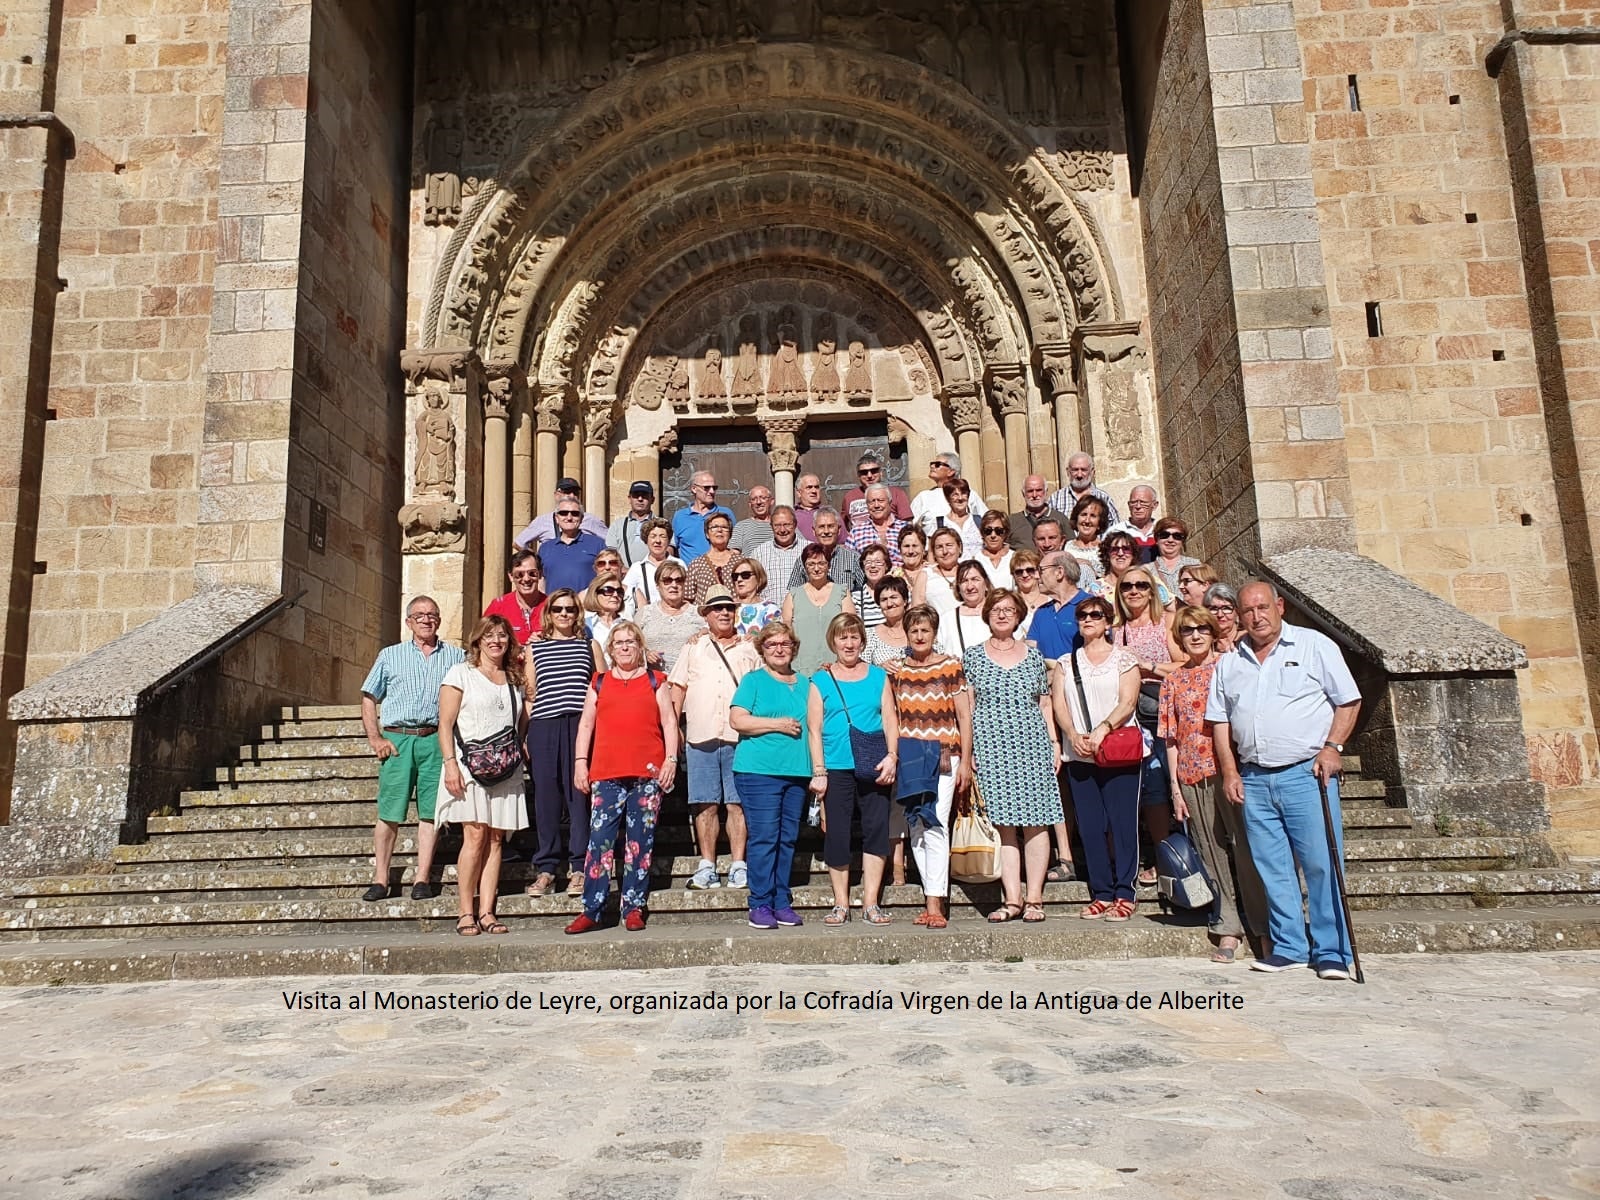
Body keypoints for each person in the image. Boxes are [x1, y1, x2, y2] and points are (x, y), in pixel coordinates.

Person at [1208, 581, 1362, 979]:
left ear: (1279, 607)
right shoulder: (1230, 661)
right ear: (1238, 617)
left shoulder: (1314, 646)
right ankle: (1289, 946)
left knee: (1321, 865)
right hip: (1255, 778)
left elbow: (1348, 700)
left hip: (1306, 772)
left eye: (1262, 607)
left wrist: (1333, 748)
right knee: (1271, 867)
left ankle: (1331, 951)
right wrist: (1229, 771)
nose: (1256, 617)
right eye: (1247, 611)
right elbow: (1221, 722)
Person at [1159, 606, 1269, 962]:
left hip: (1232, 770)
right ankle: (1227, 926)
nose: (1195, 635)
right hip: (1193, 775)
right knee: (1210, 852)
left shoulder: (1230, 666)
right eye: (1188, 629)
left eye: (1202, 629)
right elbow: (1171, 739)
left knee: (1246, 850)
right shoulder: (1172, 680)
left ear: (1212, 632)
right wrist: (1176, 789)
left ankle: (1264, 926)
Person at [564, 623, 679, 934]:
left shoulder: (657, 681)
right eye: (619, 643)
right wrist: (580, 763)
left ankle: (633, 907)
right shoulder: (598, 682)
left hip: (647, 774)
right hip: (606, 774)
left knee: (639, 844)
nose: (625, 647)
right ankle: (593, 909)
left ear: (639, 646)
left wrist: (670, 759)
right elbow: (586, 726)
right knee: (599, 843)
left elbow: (669, 722)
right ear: (610, 649)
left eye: (631, 642)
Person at [359, 596, 465, 902]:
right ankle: (381, 878)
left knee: (430, 813)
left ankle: (422, 878)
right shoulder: (390, 655)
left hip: (435, 738)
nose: (427, 620)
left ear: (440, 620)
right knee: (389, 811)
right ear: (408, 622)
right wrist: (375, 738)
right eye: (419, 615)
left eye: (432, 615)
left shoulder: (456, 656)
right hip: (398, 738)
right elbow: (369, 696)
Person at [966, 589, 1063, 922]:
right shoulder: (973, 656)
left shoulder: (1033, 655)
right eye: (996, 609)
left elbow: (1045, 701)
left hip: (1032, 743)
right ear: (987, 614)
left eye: (1009, 609)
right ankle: (1012, 899)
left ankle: (1034, 898)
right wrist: (970, 751)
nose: (1003, 614)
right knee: (1004, 826)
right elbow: (969, 706)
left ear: (1020, 614)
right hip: (991, 746)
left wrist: (1054, 743)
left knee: (1036, 823)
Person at [1053, 594, 1142, 920]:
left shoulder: (1124, 659)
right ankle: (1101, 891)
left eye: (1095, 614)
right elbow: (1060, 703)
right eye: (1083, 616)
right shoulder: (1066, 662)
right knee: (1091, 825)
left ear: (1107, 622)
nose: (1088, 620)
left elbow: (1128, 700)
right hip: (1080, 752)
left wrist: (1104, 729)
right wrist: (1073, 734)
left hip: (1118, 751)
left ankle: (1125, 892)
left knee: (1122, 823)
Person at [436, 614, 526, 936]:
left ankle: (488, 911)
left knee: (496, 839)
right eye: (489, 635)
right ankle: (465, 912)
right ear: (477, 640)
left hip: (506, 767)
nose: (496, 641)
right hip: (468, 766)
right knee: (474, 836)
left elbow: (520, 724)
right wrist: (450, 765)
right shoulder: (460, 674)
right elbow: (444, 724)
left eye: (502, 635)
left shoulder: (514, 678)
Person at [808, 612, 899, 926]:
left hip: (874, 763)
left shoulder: (878, 676)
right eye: (842, 637)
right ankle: (841, 903)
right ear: (833, 641)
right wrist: (819, 771)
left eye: (854, 637)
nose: (849, 643)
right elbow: (814, 728)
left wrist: (892, 756)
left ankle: (871, 903)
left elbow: (890, 719)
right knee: (837, 834)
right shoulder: (820, 679)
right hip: (836, 766)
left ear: (862, 640)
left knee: (875, 831)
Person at [669, 587, 759, 891]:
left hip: (741, 737)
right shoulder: (693, 647)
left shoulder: (750, 647)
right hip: (701, 733)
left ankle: (738, 864)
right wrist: (674, 729)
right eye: (717, 608)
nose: (724, 613)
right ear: (705, 614)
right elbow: (677, 688)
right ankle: (707, 864)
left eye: (728, 608)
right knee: (704, 804)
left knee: (737, 804)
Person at [892, 604, 972, 928]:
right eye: (914, 631)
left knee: (935, 822)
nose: (920, 636)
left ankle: (935, 903)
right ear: (907, 634)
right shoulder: (898, 670)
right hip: (911, 755)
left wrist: (967, 760)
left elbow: (965, 715)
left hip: (944, 754)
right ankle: (931, 895)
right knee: (915, 825)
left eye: (925, 630)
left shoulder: (951, 666)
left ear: (934, 632)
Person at [523, 588, 606, 899]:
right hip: (544, 726)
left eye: (570, 609)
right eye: (558, 609)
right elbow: (530, 695)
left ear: (577, 613)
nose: (564, 614)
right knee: (546, 798)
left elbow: (602, 689)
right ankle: (545, 867)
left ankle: (579, 866)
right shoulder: (536, 648)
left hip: (578, 725)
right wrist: (525, 734)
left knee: (578, 794)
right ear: (549, 613)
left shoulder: (589, 644)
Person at [729, 622, 813, 929]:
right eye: (772, 644)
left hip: (797, 771)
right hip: (758, 771)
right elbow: (738, 719)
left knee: (787, 838)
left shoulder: (807, 683)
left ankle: (780, 899)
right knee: (764, 837)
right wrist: (777, 724)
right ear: (762, 650)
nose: (779, 649)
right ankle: (760, 902)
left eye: (785, 644)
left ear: (794, 648)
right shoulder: (753, 681)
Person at [1112, 562, 1180, 886]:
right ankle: (1164, 857)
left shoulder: (1166, 622)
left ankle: (1189, 853)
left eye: (1141, 585)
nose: (1135, 591)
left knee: (1179, 783)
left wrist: (1147, 665)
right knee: (1152, 788)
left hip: (1169, 714)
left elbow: (1184, 664)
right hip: (1136, 718)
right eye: (1128, 586)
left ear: (1152, 591)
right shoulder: (1116, 630)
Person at [783, 542, 856, 675]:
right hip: (801, 667)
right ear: (805, 566)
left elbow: (851, 628)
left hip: (836, 666)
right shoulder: (793, 595)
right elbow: (786, 635)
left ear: (829, 565)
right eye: (811, 564)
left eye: (821, 563)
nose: (816, 569)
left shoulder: (842, 592)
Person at [634, 561, 707, 673]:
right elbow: (632, 643)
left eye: (679, 580)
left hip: (688, 679)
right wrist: (646, 653)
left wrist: (704, 633)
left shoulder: (698, 614)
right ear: (658, 585)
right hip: (653, 680)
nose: (674, 585)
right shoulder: (645, 613)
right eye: (667, 581)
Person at [515, 477, 608, 548]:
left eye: (575, 492)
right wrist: (537, 560)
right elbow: (519, 543)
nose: (572, 495)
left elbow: (612, 543)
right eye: (567, 492)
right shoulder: (542, 521)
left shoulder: (591, 520)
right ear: (556, 495)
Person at [786, 507, 864, 591]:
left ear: (839, 530)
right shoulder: (804, 559)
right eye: (821, 527)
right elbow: (793, 593)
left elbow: (864, 590)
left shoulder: (853, 558)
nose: (826, 531)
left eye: (830, 526)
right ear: (814, 531)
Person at [910, 450, 988, 534]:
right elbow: (909, 526)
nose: (932, 466)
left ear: (951, 472)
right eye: (932, 464)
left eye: (937, 465)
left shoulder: (969, 494)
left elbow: (987, 520)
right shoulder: (923, 497)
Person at [537, 499, 606, 594]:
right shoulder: (545, 548)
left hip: (586, 607)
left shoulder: (598, 544)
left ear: (581, 518)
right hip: (554, 607)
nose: (569, 517)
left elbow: (607, 577)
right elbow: (541, 582)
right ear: (557, 518)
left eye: (575, 513)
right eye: (564, 513)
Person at [1091, 530, 1175, 608]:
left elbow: (1172, 608)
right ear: (1107, 554)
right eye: (1115, 549)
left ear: (1133, 554)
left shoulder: (1149, 582)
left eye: (1126, 549)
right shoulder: (1095, 589)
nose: (1120, 553)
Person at [482, 550, 546, 645]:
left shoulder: (552, 606)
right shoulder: (498, 606)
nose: (526, 579)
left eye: (532, 573)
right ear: (511, 576)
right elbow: (483, 639)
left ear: (540, 574)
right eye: (519, 575)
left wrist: (545, 642)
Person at [936, 560, 996, 658]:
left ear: (986, 584)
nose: (970, 586)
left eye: (975, 579)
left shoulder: (1000, 614)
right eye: (964, 581)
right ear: (958, 588)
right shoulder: (946, 619)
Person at [749, 505, 808, 605]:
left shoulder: (808, 550)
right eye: (777, 525)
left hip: (801, 613)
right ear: (771, 526)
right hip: (769, 616)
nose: (782, 530)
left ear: (795, 525)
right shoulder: (758, 554)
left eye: (787, 524)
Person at [671, 470, 735, 561]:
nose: (712, 491)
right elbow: (672, 546)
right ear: (694, 489)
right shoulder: (680, 517)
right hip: (688, 573)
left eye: (714, 487)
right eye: (707, 487)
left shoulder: (725, 514)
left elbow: (734, 546)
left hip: (720, 571)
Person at [623, 518, 683, 613]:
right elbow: (625, 592)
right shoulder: (637, 568)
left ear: (668, 540)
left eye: (662, 536)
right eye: (653, 536)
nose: (658, 541)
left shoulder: (680, 564)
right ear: (646, 540)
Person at [841, 451, 912, 528]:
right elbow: (841, 525)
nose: (869, 475)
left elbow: (907, 523)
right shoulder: (849, 497)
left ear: (880, 473)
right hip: (860, 538)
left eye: (874, 471)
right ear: (858, 475)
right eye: (864, 472)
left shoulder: (896, 493)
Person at [1048, 452, 1121, 526]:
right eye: (1075, 470)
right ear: (1068, 472)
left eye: (1084, 470)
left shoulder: (1104, 498)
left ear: (1092, 472)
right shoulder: (1055, 499)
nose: (1079, 475)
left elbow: (1116, 530)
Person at [845, 484, 910, 564]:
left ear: (890, 502)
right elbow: (848, 563)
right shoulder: (856, 533)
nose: (876, 505)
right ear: (867, 505)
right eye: (872, 501)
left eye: (881, 500)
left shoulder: (905, 529)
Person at [685, 511, 739, 604]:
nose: (719, 530)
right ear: (707, 534)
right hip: (704, 616)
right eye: (714, 527)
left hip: (733, 615)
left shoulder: (740, 562)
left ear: (730, 533)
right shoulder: (696, 564)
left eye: (724, 527)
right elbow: (688, 598)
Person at [1009, 474, 1070, 551]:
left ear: (1046, 491)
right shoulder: (1012, 521)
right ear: (1023, 494)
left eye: (1039, 490)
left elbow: (1071, 546)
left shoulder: (1060, 518)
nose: (1035, 495)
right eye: (1030, 491)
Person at [606, 480, 657, 568]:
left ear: (652, 499)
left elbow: (668, 550)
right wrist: (623, 570)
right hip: (624, 575)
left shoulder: (662, 524)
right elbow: (611, 553)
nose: (640, 499)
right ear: (629, 499)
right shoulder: (617, 525)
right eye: (636, 495)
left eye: (644, 496)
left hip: (653, 575)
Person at [912, 526, 963, 612]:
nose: (945, 551)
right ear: (934, 552)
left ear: (960, 547)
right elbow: (916, 610)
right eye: (939, 547)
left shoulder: (968, 572)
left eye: (949, 545)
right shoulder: (926, 575)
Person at [864, 575, 910, 667]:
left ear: (905, 600)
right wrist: (879, 669)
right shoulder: (870, 636)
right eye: (884, 599)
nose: (889, 604)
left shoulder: (919, 630)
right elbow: (861, 669)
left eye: (893, 597)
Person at [1064, 495, 1110, 586]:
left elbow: (1112, 578)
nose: (1087, 520)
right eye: (1083, 514)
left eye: (1093, 516)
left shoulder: (1107, 548)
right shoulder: (1065, 547)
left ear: (1099, 523)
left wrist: (1091, 570)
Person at [1107, 484, 1161, 560]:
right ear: (1129, 505)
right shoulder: (1116, 531)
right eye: (1133, 502)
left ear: (1154, 505)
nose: (1138, 506)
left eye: (1143, 502)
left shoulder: (1163, 530)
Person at [1151, 519, 1201, 596]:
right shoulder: (1146, 570)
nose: (1170, 540)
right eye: (1164, 535)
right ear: (1156, 539)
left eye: (1177, 536)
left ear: (1182, 541)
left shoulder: (1196, 565)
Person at [730, 557, 779, 636]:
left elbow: (776, 636)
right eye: (735, 576)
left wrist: (756, 635)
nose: (739, 579)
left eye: (745, 575)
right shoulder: (727, 606)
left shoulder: (770, 609)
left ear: (759, 579)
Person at [583, 576, 627, 663]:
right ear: (595, 594)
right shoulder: (585, 626)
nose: (615, 595)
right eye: (609, 590)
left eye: (619, 591)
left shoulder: (628, 626)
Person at [939, 476, 985, 559]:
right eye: (955, 495)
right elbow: (932, 553)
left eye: (963, 494)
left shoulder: (978, 521)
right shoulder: (940, 523)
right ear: (948, 498)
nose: (960, 498)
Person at [853, 544, 893, 628]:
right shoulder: (854, 596)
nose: (873, 566)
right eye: (868, 562)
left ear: (886, 566)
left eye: (878, 562)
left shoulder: (896, 592)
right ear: (863, 567)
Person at [1011, 549, 1048, 635]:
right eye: (1019, 572)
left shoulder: (1052, 601)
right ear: (1014, 576)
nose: (1025, 575)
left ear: (1038, 572)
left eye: (1029, 570)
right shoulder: (1011, 603)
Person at [730, 485, 775, 553]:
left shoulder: (782, 524)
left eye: (762, 497)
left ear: (771, 501)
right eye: (754, 499)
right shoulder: (741, 526)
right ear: (750, 504)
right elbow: (734, 554)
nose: (758, 502)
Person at [976, 511, 1015, 588]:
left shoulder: (1015, 558)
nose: (993, 535)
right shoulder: (976, 560)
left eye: (999, 531)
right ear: (982, 533)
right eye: (988, 531)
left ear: (1006, 533)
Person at [1204, 582, 1242, 653]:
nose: (1220, 615)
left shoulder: (1247, 640)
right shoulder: (1204, 643)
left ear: (1236, 612)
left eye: (1226, 608)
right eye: (1213, 609)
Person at [793, 472, 824, 541]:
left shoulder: (830, 513)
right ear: (799, 493)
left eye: (816, 487)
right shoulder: (791, 515)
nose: (814, 491)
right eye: (809, 487)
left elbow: (843, 542)